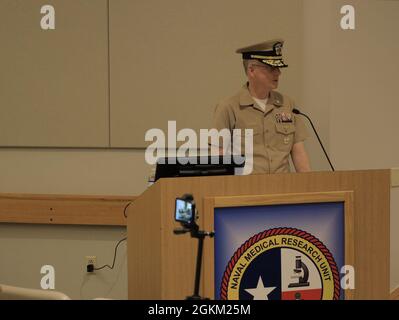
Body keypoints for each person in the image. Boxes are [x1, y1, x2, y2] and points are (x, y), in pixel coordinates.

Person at [212, 39, 311, 174]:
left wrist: (309, 186)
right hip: (246, 190)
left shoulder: (288, 105)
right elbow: (219, 155)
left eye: (278, 68)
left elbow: (299, 152)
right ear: (251, 70)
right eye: (271, 68)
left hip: (283, 189)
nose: (278, 73)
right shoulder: (229, 107)